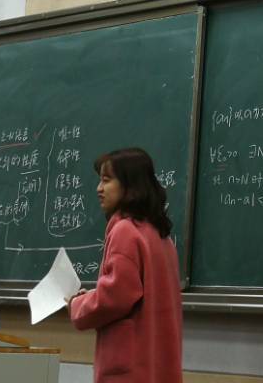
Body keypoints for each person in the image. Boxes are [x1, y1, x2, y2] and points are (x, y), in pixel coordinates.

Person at [67, 147, 183, 383]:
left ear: (130, 185)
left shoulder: (125, 231)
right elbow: (132, 291)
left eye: (106, 180)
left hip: (131, 370)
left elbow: (116, 297)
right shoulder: (160, 235)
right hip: (158, 365)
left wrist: (77, 305)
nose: (99, 189)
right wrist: (92, 296)